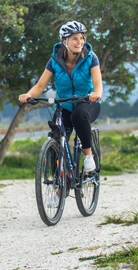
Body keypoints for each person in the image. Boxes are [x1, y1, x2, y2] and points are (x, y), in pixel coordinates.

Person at [18, 20, 103, 177]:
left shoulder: (91, 58)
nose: (80, 42)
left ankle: (88, 156)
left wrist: (96, 94)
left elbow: (98, 84)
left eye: (82, 38)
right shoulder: (54, 61)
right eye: (75, 38)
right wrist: (28, 95)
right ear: (64, 41)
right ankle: (59, 184)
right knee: (57, 136)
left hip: (88, 102)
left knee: (79, 116)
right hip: (65, 104)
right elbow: (39, 86)